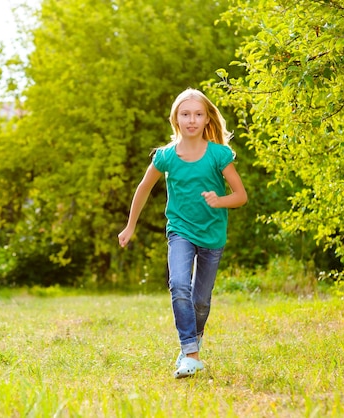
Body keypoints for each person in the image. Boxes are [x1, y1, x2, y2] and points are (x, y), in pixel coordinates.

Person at [118, 88, 248, 378]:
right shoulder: (166, 157)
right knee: (178, 284)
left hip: (212, 234)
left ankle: (193, 340)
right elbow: (143, 189)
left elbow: (240, 196)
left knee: (200, 300)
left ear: (206, 119)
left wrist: (219, 200)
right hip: (180, 230)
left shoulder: (218, 154)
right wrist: (130, 226)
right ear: (175, 118)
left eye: (198, 114)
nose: (192, 119)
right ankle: (191, 353)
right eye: (185, 114)